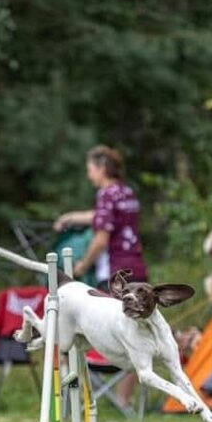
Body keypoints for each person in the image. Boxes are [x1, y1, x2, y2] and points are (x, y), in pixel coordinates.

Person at [53, 145, 148, 406]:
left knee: (87, 326)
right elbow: (104, 217)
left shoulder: (105, 194)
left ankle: (72, 393)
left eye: (91, 169)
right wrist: (72, 217)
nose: (89, 175)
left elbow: (102, 236)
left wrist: (83, 264)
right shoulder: (126, 192)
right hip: (137, 267)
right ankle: (124, 400)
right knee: (137, 330)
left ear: (101, 168)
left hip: (115, 272)